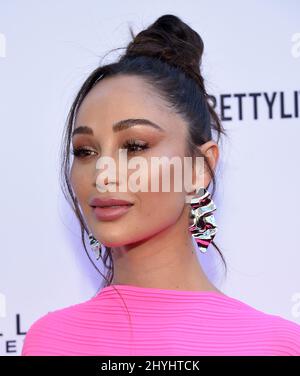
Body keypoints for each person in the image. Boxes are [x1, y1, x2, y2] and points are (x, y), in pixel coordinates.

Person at [21, 14, 300, 356]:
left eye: (135, 146)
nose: (102, 173)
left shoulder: (277, 346)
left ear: (200, 167)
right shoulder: (49, 341)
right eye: (85, 151)